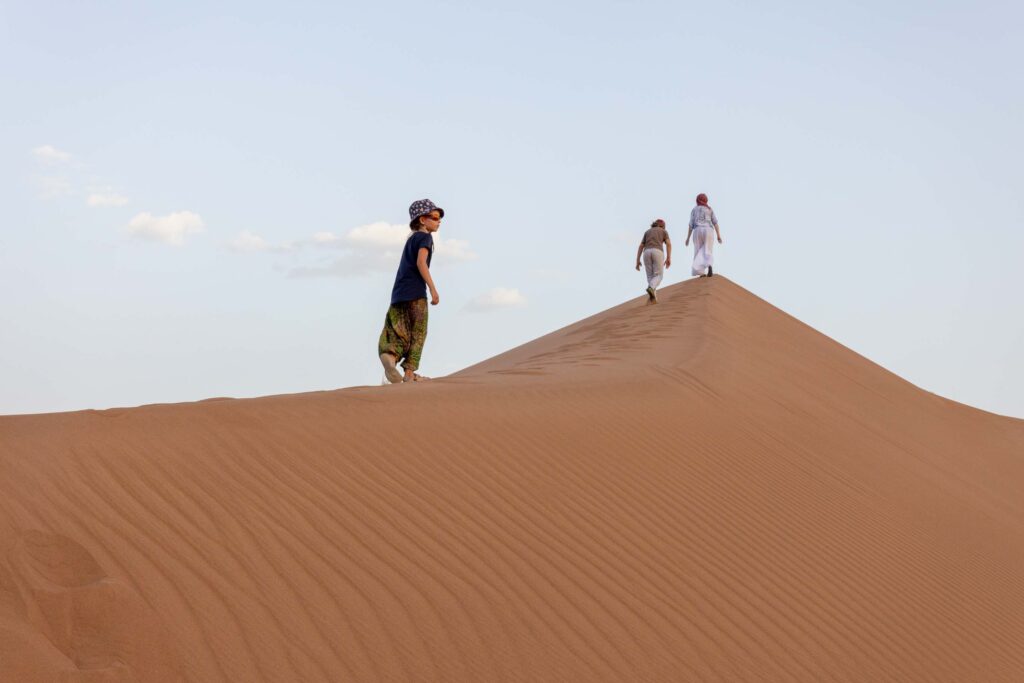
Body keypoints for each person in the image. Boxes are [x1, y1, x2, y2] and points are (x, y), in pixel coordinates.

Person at [378, 199, 443, 383]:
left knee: (398, 331)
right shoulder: (425, 238)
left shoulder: (410, 240)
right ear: (423, 220)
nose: (439, 221)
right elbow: (421, 263)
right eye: (435, 217)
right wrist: (433, 289)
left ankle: (390, 358)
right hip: (416, 293)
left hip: (398, 294)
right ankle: (408, 373)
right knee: (418, 332)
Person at [685, 193, 723, 277]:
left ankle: (700, 272)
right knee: (707, 249)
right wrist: (718, 235)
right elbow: (715, 223)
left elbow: (690, 225)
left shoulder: (694, 210)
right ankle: (709, 264)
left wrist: (687, 238)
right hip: (708, 230)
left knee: (698, 250)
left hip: (697, 230)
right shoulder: (709, 209)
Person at [635, 218, 672, 303]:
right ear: (662, 226)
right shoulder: (663, 231)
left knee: (650, 277)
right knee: (658, 276)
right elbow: (668, 244)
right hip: (657, 251)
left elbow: (641, 246)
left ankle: (653, 299)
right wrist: (669, 257)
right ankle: (651, 289)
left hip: (646, 252)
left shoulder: (647, 232)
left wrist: (637, 260)